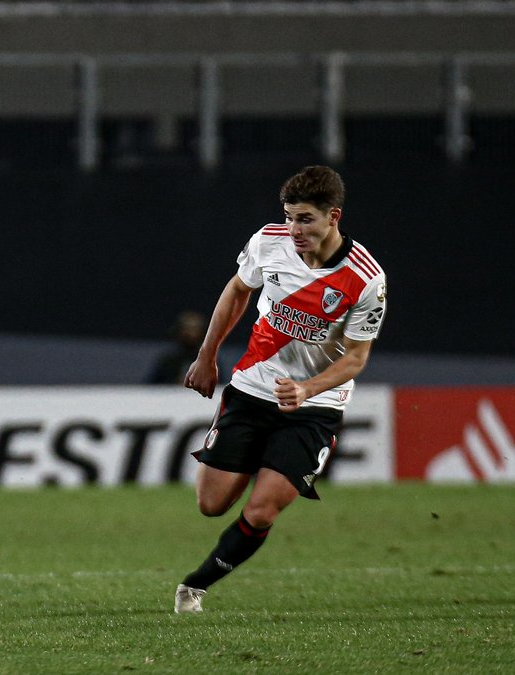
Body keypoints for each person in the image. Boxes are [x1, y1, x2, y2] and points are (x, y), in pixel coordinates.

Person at [174, 165, 386, 613]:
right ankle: (258, 457)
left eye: (305, 219)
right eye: (289, 216)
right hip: (251, 391)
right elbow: (236, 291)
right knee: (211, 504)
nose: (294, 229)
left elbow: (356, 358)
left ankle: (195, 586)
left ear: (334, 217)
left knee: (262, 511)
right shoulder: (268, 241)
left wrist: (309, 389)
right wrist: (207, 356)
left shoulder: (365, 277)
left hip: (314, 407)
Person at [146, 310, 231, 386]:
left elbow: (220, 388)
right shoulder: (168, 361)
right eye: (187, 329)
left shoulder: (210, 362)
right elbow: (151, 388)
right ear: (178, 331)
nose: (190, 334)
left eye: (194, 329)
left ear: (203, 333)